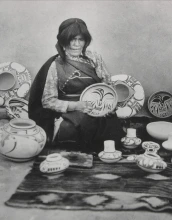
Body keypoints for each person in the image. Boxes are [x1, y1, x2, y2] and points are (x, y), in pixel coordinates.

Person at [28, 18, 125, 153]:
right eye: (71, 39)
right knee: (80, 127)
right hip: (71, 112)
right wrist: (76, 106)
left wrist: (108, 105)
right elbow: (48, 101)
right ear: (62, 41)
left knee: (110, 126)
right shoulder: (55, 65)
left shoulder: (94, 58)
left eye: (80, 40)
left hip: (96, 107)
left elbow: (107, 84)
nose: (76, 44)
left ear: (85, 41)